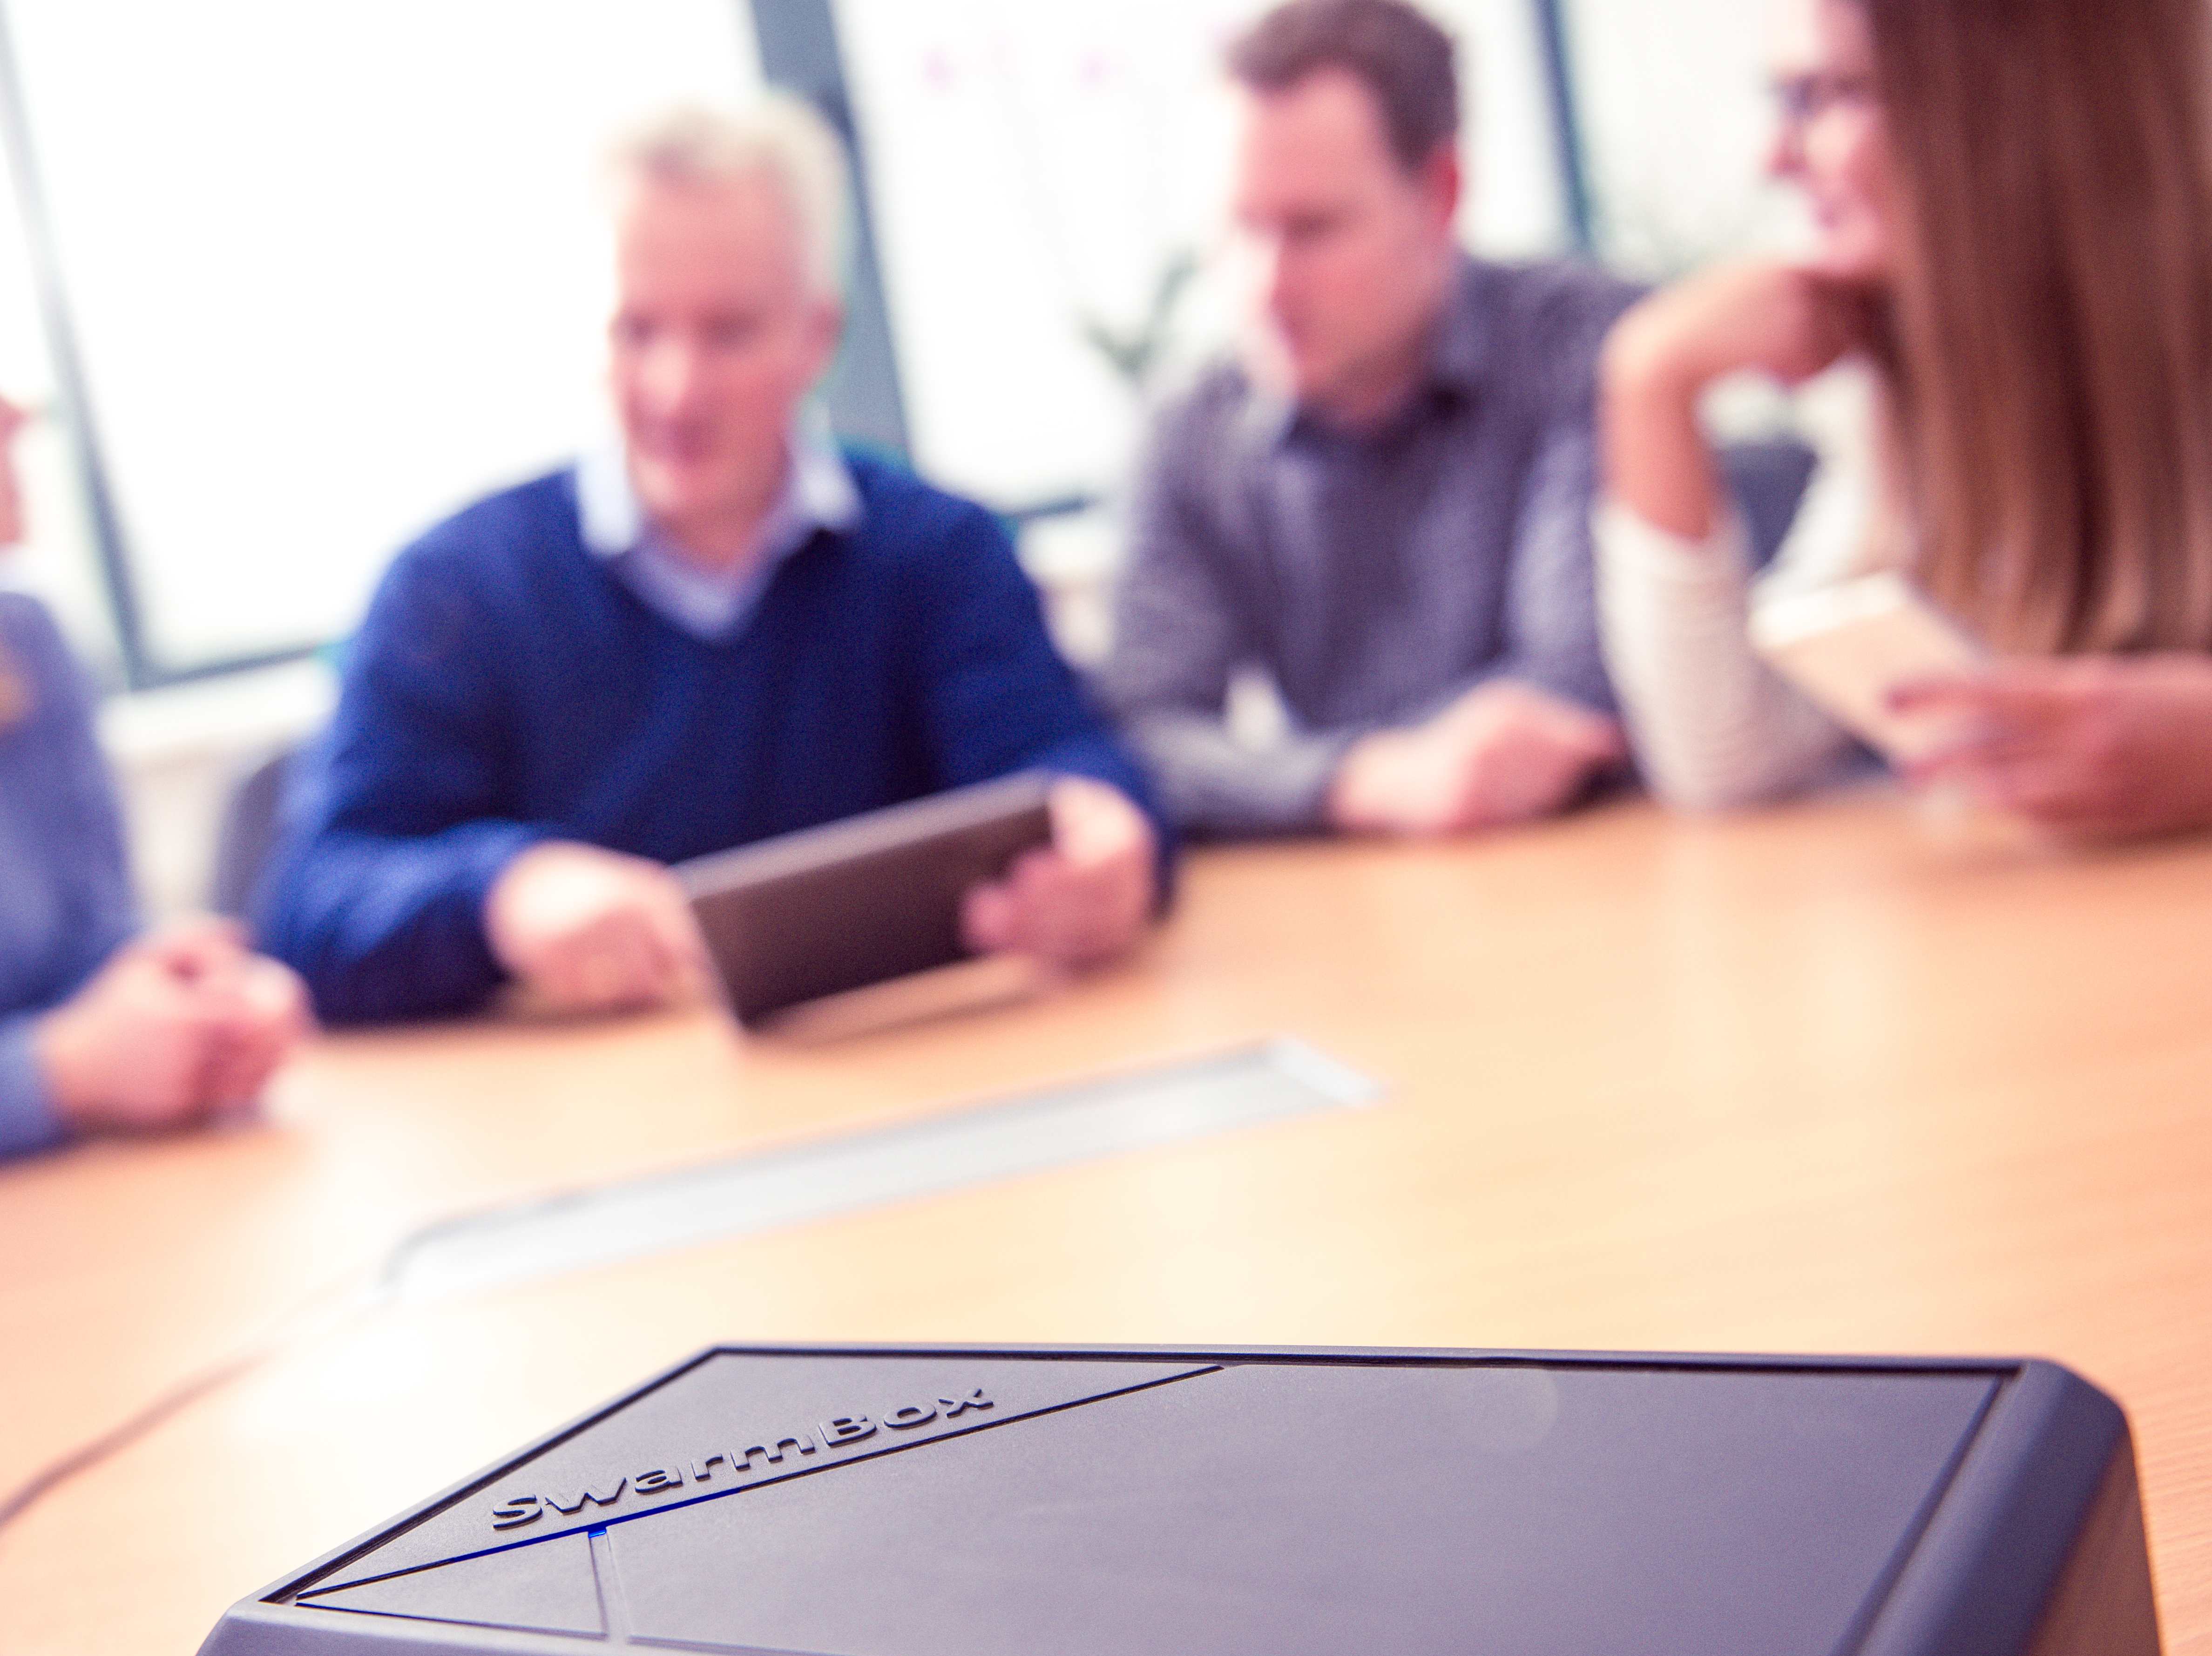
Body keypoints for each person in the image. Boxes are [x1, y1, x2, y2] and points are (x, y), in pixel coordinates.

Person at [258, 95, 1167, 1026]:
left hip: (916, 1076)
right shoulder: (453, 589)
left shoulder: (940, 554)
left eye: (728, 332)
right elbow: (312, 904)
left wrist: (1104, 835)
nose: (677, 389)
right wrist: (502, 894)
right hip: (600, 1105)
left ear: (817, 336)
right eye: (636, 331)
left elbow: (1066, 768)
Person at [1597, 0, 2212, 838]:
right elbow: (1728, 760)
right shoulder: (1912, 368)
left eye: (1832, 95)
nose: (1775, 158)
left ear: (2026, 95)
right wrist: (1648, 382)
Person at [1097, 0, 1639, 841]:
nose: (1266, 285)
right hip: (1364, 888)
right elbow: (1140, 735)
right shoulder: (1190, 429)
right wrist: (1359, 779)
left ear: (1441, 193)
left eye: (1312, 229)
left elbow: (1588, 681)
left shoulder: (1584, 345)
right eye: (1242, 227)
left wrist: (1282, 779)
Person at [0, 398, 304, 1161]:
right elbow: (70, 1048)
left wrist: (192, 996)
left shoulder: (24, 640)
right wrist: (58, 1071)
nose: (16, 415)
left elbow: (88, 939)